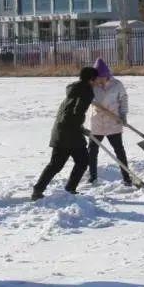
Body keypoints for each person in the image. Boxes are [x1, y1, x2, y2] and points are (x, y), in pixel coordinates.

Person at [32, 67, 100, 201]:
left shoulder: (74, 89)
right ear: (91, 79)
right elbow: (77, 111)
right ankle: (69, 188)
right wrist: (79, 126)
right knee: (82, 161)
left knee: (56, 164)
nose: (97, 81)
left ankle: (38, 190)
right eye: (96, 79)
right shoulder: (86, 91)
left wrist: (79, 126)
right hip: (70, 133)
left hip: (61, 130)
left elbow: (70, 111)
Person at [86, 58, 131, 186]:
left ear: (106, 75)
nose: (97, 80)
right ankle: (92, 177)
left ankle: (127, 178)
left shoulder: (117, 84)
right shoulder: (91, 86)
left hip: (114, 122)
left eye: (99, 77)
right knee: (92, 151)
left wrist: (123, 115)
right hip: (97, 122)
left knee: (119, 151)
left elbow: (123, 99)